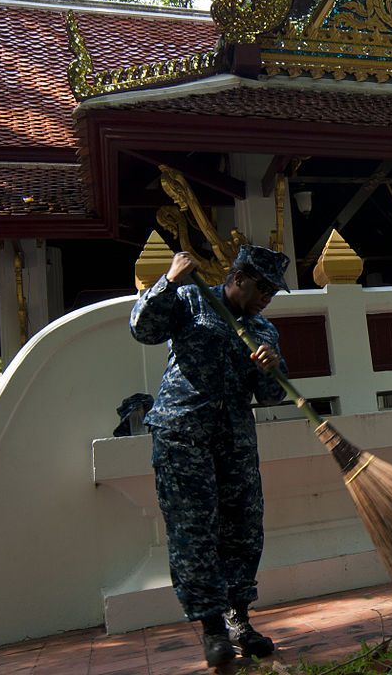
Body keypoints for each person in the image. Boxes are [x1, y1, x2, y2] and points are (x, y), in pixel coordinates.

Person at [130, 244, 290, 667]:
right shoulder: (190, 298)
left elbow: (273, 395)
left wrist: (270, 367)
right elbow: (143, 329)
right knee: (194, 533)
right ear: (239, 277)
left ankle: (239, 618)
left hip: (234, 440)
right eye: (263, 288)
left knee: (243, 530)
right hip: (183, 433)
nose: (266, 298)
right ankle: (212, 628)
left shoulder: (263, 331)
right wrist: (168, 282)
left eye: (273, 293)